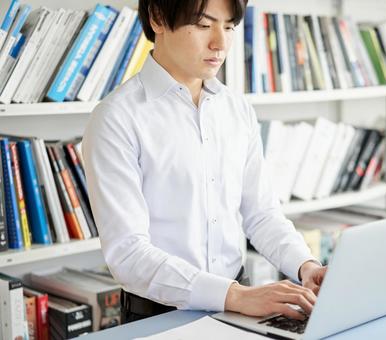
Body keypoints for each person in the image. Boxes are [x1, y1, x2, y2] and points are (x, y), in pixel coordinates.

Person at [82, 0, 327, 324]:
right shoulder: (116, 119)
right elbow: (128, 254)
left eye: (228, 27)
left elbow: (262, 214)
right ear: (157, 17)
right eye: (203, 25)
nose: (220, 43)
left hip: (239, 307)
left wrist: (305, 266)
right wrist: (234, 295)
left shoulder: (237, 109)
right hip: (158, 316)